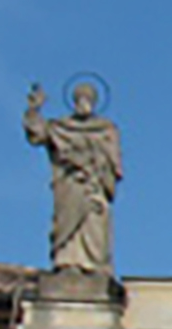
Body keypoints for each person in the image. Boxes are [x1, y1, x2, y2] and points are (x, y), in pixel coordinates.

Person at [25, 80, 122, 275]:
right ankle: (68, 263)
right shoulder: (61, 127)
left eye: (88, 99)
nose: (84, 103)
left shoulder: (106, 129)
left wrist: (97, 164)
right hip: (70, 186)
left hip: (94, 187)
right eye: (80, 99)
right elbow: (38, 134)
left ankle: (94, 265)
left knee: (94, 226)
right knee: (67, 226)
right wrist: (34, 111)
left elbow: (114, 162)